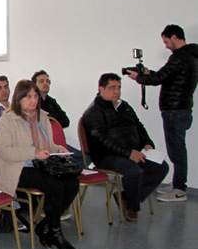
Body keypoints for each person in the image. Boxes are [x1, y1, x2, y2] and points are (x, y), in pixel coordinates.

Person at [0, 79, 79, 249]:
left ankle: (45, 226)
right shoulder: (7, 120)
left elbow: (48, 144)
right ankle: (55, 232)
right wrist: (34, 153)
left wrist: (57, 148)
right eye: (28, 97)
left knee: (72, 183)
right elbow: (5, 152)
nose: (33, 100)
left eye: (35, 96)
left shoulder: (42, 117)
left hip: (41, 164)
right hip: (16, 168)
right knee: (55, 186)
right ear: (19, 99)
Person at [82, 73, 169, 222]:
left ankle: (125, 197)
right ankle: (133, 207)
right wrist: (128, 153)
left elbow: (139, 126)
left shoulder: (124, 106)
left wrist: (147, 143)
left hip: (131, 151)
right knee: (133, 170)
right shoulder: (93, 112)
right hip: (106, 156)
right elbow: (103, 140)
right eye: (112, 87)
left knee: (161, 167)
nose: (117, 91)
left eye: (119, 87)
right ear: (101, 89)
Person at [126, 24, 198, 202]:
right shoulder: (191, 56)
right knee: (178, 150)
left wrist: (139, 77)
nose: (165, 46)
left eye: (166, 42)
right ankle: (177, 185)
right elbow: (166, 76)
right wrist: (148, 73)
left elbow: (159, 79)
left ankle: (179, 189)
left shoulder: (180, 57)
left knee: (177, 152)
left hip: (174, 111)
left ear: (174, 37)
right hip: (182, 109)